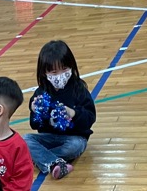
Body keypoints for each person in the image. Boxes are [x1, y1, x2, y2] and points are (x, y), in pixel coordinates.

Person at [25, 40, 96, 179]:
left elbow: (90, 118)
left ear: (71, 67)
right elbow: (34, 125)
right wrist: (35, 112)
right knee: (25, 140)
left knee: (75, 146)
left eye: (64, 69)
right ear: (44, 73)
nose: (60, 75)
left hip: (73, 138)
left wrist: (74, 113)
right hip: (49, 137)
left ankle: (41, 158)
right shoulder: (41, 92)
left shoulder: (79, 89)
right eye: (54, 72)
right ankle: (55, 163)